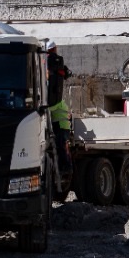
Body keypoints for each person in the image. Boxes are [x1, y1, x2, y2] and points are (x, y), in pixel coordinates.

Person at [45, 40, 73, 181]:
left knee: (61, 146)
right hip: (60, 119)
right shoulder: (58, 65)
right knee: (61, 146)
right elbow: (67, 73)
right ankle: (65, 167)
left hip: (59, 120)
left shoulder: (47, 64)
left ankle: (66, 167)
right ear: (55, 48)